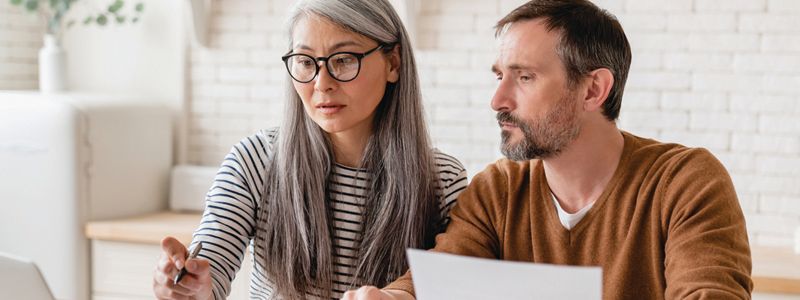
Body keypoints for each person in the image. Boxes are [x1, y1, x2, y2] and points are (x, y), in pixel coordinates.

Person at [343, 0, 753, 299]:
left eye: (525, 77)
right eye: (499, 75)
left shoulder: (685, 182)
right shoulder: (498, 189)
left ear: (593, 89)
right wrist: (393, 297)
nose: (497, 99)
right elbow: (440, 277)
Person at [152, 0, 468, 299]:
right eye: (305, 62)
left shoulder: (442, 179)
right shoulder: (255, 160)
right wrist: (189, 285)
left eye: (344, 60)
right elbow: (211, 271)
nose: (322, 83)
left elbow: (455, 289)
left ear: (393, 63)